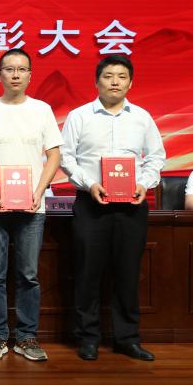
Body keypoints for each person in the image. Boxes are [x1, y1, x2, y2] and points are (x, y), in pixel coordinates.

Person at [60, 54, 165, 361]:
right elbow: (66, 157)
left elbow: (156, 156)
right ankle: (88, 338)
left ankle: (127, 338)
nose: (115, 82)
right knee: (87, 272)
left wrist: (144, 183)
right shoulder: (79, 116)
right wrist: (89, 183)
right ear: (97, 82)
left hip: (131, 206)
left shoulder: (142, 117)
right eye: (108, 76)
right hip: (91, 204)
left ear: (130, 83)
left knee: (128, 273)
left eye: (121, 76)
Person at [0, 49, 61, 361]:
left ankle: (27, 337)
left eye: (21, 69)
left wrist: (39, 190)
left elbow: (54, 155)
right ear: (0, 74)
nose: (15, 74)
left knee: (29, 274)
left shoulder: (42, 110)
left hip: (32, 206)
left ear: (30, 75)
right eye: (9, 69)